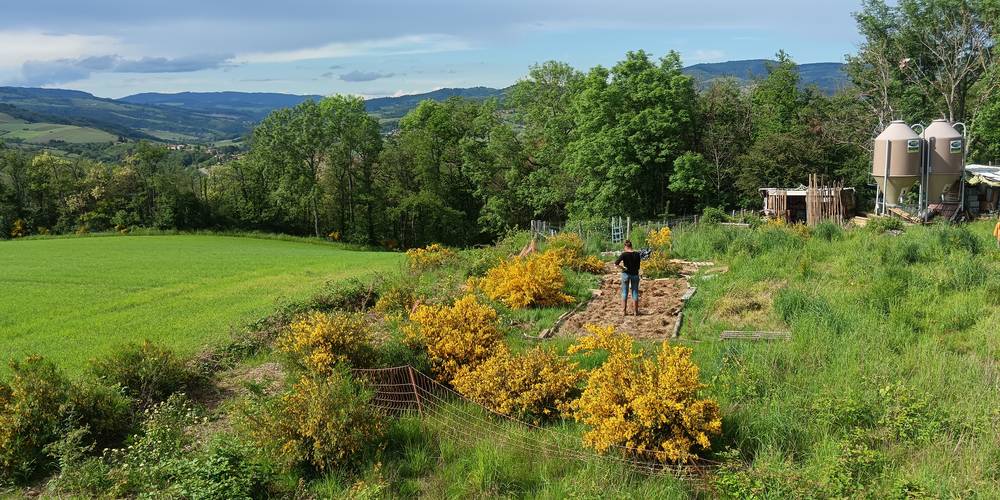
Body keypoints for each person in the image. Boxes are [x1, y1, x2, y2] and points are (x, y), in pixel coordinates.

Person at [614, 240, 641, 316]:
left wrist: (622, 268)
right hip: (635, 275)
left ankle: (623, 312)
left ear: (626, 246)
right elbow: (638, 266)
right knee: (635, 292)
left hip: (626, 274)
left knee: (624, 292)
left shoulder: (624, 254)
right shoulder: (637, 254)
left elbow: (616, 264)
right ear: (631, 246)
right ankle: (635, 312)